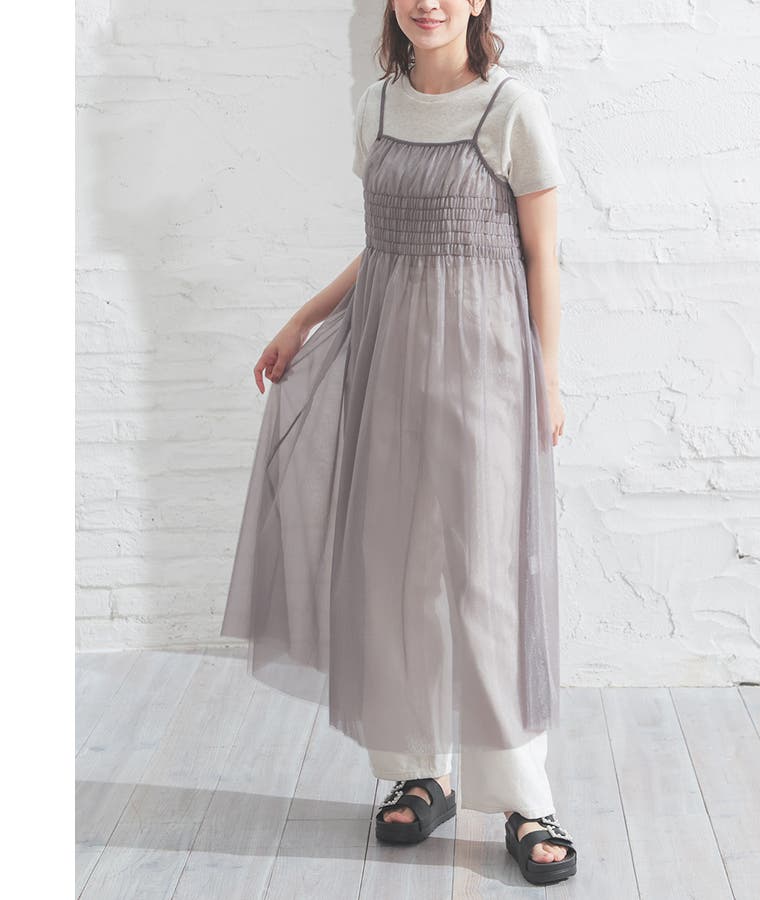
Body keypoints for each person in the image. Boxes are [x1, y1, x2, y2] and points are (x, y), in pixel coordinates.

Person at [220, 0, 576, 886]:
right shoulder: (376, 107)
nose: (428, 2)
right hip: (387, 359)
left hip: (486, 368)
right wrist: (304, 319)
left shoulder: (511, 110)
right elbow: (385, 244)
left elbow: (542, 256)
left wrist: (548, 377)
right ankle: (419, 772)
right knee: (395, 573)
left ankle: (525, 800)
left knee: (486, 579)